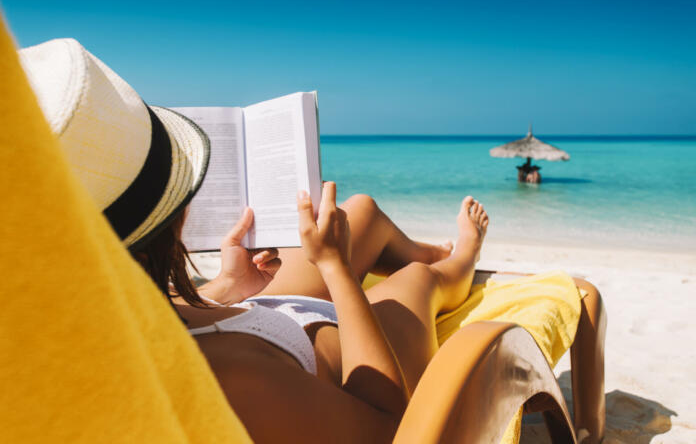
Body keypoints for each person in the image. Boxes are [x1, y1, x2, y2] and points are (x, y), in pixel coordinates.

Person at [19, 38, 605, 443]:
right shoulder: (229, 381)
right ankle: (459, 262)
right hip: (350, 365)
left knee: (361, 213)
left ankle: (419, 251)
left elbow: (168, 313)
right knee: (416, 282)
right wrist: (339, 275)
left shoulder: (99, 321)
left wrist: (224, 285)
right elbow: (387, 426)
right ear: (163, 229)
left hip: (252, 316)